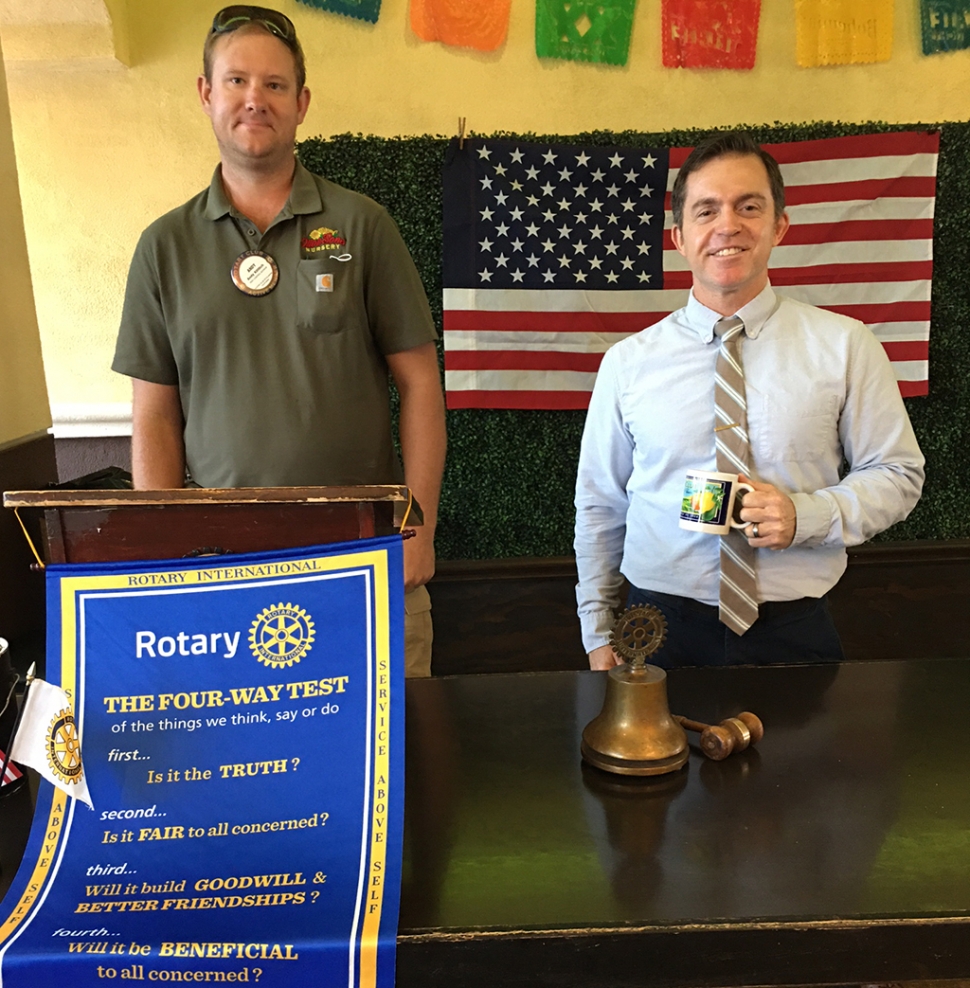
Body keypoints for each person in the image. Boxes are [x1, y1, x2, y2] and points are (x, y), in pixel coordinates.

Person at [112, 5, 446, 677]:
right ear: (206, 94)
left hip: (363, 558)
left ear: (302, 103)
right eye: (236, 81)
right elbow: (154, 413)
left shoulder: (363, 224)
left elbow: (419, 384)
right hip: (220, 570)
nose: (254, 100)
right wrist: (167, 542)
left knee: (392, 763)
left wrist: (417, 527)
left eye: (274, 85)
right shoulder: (163, 247)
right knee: (243, 766)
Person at [574, 132, 924, 669]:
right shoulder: (627, 363)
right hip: (656, 631)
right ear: (679, 237)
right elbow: (600, 503)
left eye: (749, 206)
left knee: (803, 759)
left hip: (796, 630)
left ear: (779, 225)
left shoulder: (846, 346)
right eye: (706, 210)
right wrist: (598, 630)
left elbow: (898, 473)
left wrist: (807, 515)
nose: (727, 226)